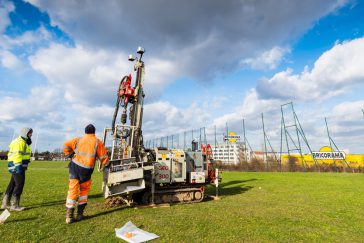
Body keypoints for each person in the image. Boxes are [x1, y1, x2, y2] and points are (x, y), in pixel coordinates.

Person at [63, 124, 109, 224]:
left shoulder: (78, 139)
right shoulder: (97, 142)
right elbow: (104, 156)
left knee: (72, 190)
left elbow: (66, 145)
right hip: (86, 171)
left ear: (85, 131)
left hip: (74, 168)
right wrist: (107, 164)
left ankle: (69, 216)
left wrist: (69, 155)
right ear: (94, 132)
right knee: (84, 192)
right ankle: (80, 214)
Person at [1, 127, 33, 211]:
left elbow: (23, 154)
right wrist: (18, 166)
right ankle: (14, 205)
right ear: (25, 133)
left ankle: (5, 203)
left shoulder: (23, 141)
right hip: (17, 166)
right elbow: (17, 155)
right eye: (30, 133)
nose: (31, 134)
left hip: (16, 165)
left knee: (12, 184)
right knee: (19, 184)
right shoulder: (19, 142)